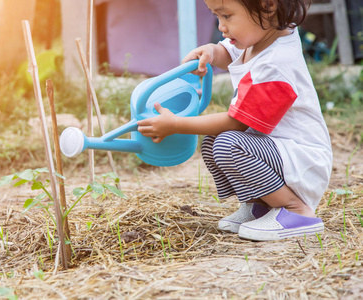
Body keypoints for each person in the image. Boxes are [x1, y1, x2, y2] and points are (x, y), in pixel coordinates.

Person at [137, 0, 333, 241]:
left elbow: (236, 123)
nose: (221, 26)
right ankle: (260, 205)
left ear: (268, 6)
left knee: (228, 143)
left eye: (227, 16)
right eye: (217, 17)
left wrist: (176, 124)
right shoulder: (261, 36)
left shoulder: (276, 63)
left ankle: (297, 210)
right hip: (277, 150)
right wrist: (211, 51)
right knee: (214, 140)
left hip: (302, 159)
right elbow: (230, 54)